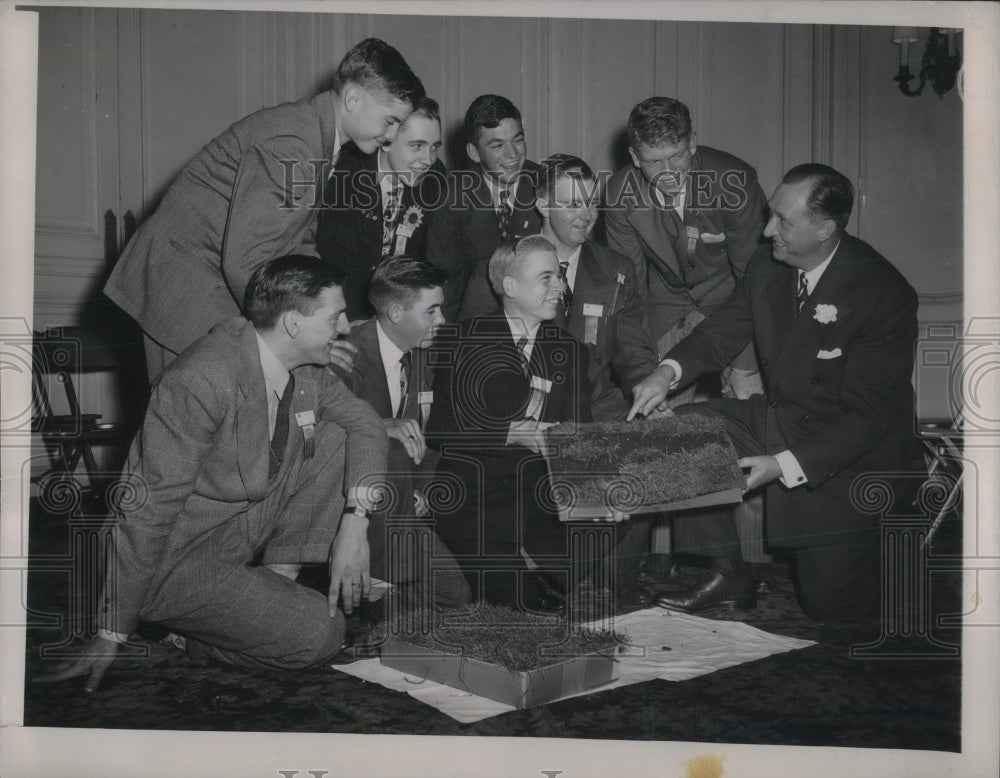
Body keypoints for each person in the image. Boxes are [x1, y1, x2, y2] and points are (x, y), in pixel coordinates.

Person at [40, 255, 388, 691]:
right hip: (177, 563)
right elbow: (145, 508)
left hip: (240, 540)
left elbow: (365, 422)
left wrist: (356, 522)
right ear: (294, 324)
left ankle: (274, 583)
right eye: (335, 317)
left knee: (337, 434)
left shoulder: (306, 370)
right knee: (321, 635)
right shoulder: (201, 380)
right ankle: (191, 637)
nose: (344, 328)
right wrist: (111, 631)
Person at [629, 164, 924, 622]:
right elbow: (723, 331)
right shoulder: (770, 266)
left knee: (832, 609)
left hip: (850, 461)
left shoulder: (883, 293)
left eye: (783, 222)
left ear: (825, 229)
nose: (768, 232)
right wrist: (665, 373)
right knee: (680, 435)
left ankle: (891, 546)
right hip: (783, 419)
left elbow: (868, 419)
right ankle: (730, 573)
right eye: (770, 216)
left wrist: (781, 466)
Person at [104, 38, 424, 380]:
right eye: (389, 121)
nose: (391, 137)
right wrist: (306, 334)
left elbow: (297, 243)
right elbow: (247, 261)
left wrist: (333, 312)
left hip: (206, 279)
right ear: (354, 98)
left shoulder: (315, 139)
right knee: (189, 424)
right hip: (183, 287)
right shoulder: (294, 143)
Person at [424, 235, 592, 612]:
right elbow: (437, 429)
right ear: (510, 286)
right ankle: (525, 575)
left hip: (536, 493)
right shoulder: (464, 341)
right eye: (546, 278)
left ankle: (544, 570)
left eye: (560, 277)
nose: (559, 287)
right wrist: (506, 433)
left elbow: (581, 433)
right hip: (474, 496)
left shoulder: (571, 351)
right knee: (520, 609)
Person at [604, 96, 768, 404]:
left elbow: (755, 280)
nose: (668, 172)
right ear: (635, 157)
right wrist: (642, 369)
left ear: (692, 142)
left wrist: (745, 367)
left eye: (676, 156)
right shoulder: (618, 194)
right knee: (656, 411)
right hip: (666, 304)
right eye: (654, 161)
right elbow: (630, 291)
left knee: (748, 401)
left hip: (733, 302)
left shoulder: (735, 181)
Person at [331, 257, 470, 609]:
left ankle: (370, 606)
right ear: (395, 313)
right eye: (431, 311)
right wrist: (378, 425)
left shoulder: (424, 356)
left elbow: (428, 438)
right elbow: (321, 440)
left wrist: (421, 489)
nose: (442, 321)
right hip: (348, 507)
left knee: (453, 595)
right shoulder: (344, 356)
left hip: (401, 508)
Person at [316, 97, 447, 320]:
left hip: (398, 312)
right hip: (341, 311)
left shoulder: (434, 180)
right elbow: (324, 259)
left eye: (434, 147)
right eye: (417, 146)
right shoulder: (342, 177)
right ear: (387, 141)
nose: (428, 160)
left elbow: (429, 256)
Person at [425, 94, 542, 321]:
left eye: (517, 140)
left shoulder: (545, 185)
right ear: (474, 153)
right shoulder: (450, 199)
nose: (513, 154)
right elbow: (445, 289)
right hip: (474, 322)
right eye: (498, 145)